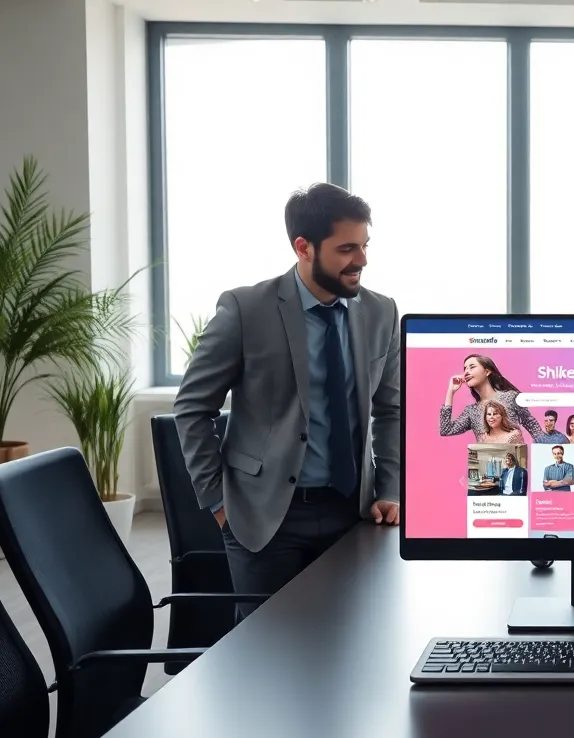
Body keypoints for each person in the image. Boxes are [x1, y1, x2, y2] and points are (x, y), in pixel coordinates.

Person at [174, 182, 401, 620]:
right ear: (304, 247)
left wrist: (390, 488)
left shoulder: (381, 312)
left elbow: (391, 410)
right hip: (263, 519)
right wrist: (220, 504)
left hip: (353, 513)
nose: (362, 260)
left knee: (352, 639)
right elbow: (192, 407)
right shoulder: (245, 309)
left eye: (365, 245)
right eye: (347, 248)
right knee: (266, 653)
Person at [440, 354, 542, 440]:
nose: (466, 372)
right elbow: (446, 430)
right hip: (484, 461)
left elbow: (532, 425)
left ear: (487, 371)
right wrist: (451, 392)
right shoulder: (471, 411)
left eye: (472, 367)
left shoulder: (511, 397)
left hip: (513, 460)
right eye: (465, 368)